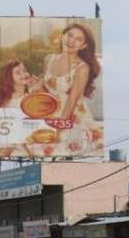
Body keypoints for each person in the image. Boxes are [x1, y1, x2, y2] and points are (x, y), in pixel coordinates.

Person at [39, 23, 103, 155]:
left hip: (72, 119)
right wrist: (36, 85)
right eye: (70, 35)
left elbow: (71, 101)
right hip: (50, 115)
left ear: (83, 46)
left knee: (64, 152)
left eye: (78, 39)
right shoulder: (48, 59)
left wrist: (57, 130)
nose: (72, 41)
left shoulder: (82, 68)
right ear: (63, 36)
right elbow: (46, 92)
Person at [0, 60, 41, 159]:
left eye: (24, 71)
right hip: (2, 134)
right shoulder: (5, 99)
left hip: (17, 138)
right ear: (9, 78)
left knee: (4, 151)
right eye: (18, 72)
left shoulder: (29, 99)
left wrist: (37, 89)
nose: (24, 74)